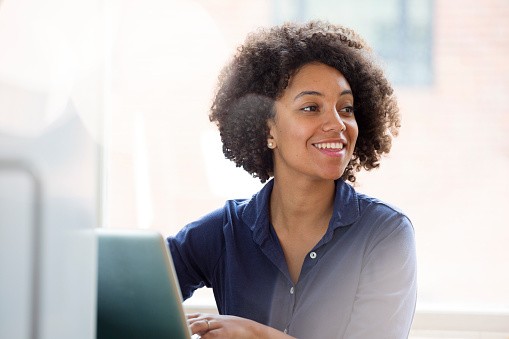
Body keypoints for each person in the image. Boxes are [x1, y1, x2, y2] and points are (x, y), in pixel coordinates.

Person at [167, 20, 417, 338]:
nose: (337, 123)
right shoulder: (223, 232)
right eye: (311, 107)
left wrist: (255, 334)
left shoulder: (384, 234)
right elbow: (132, 292)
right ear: (268, 129)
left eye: (347, 108)